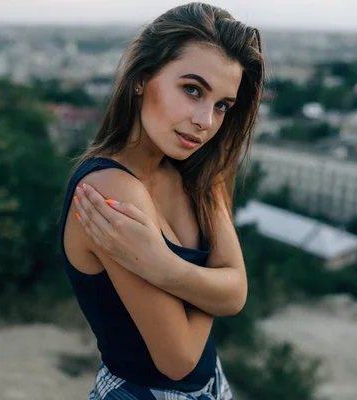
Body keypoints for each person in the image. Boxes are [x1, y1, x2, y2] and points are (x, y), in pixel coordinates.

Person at [59, 3, 264, 399]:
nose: (206, 120)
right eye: (192, 90)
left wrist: (166, 267)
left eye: (222, 105)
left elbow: (237, 292)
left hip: (215, 387)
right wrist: (210, 284)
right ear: (141, 78)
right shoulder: (110, 189)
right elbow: (178, 357)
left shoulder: (200, 173)